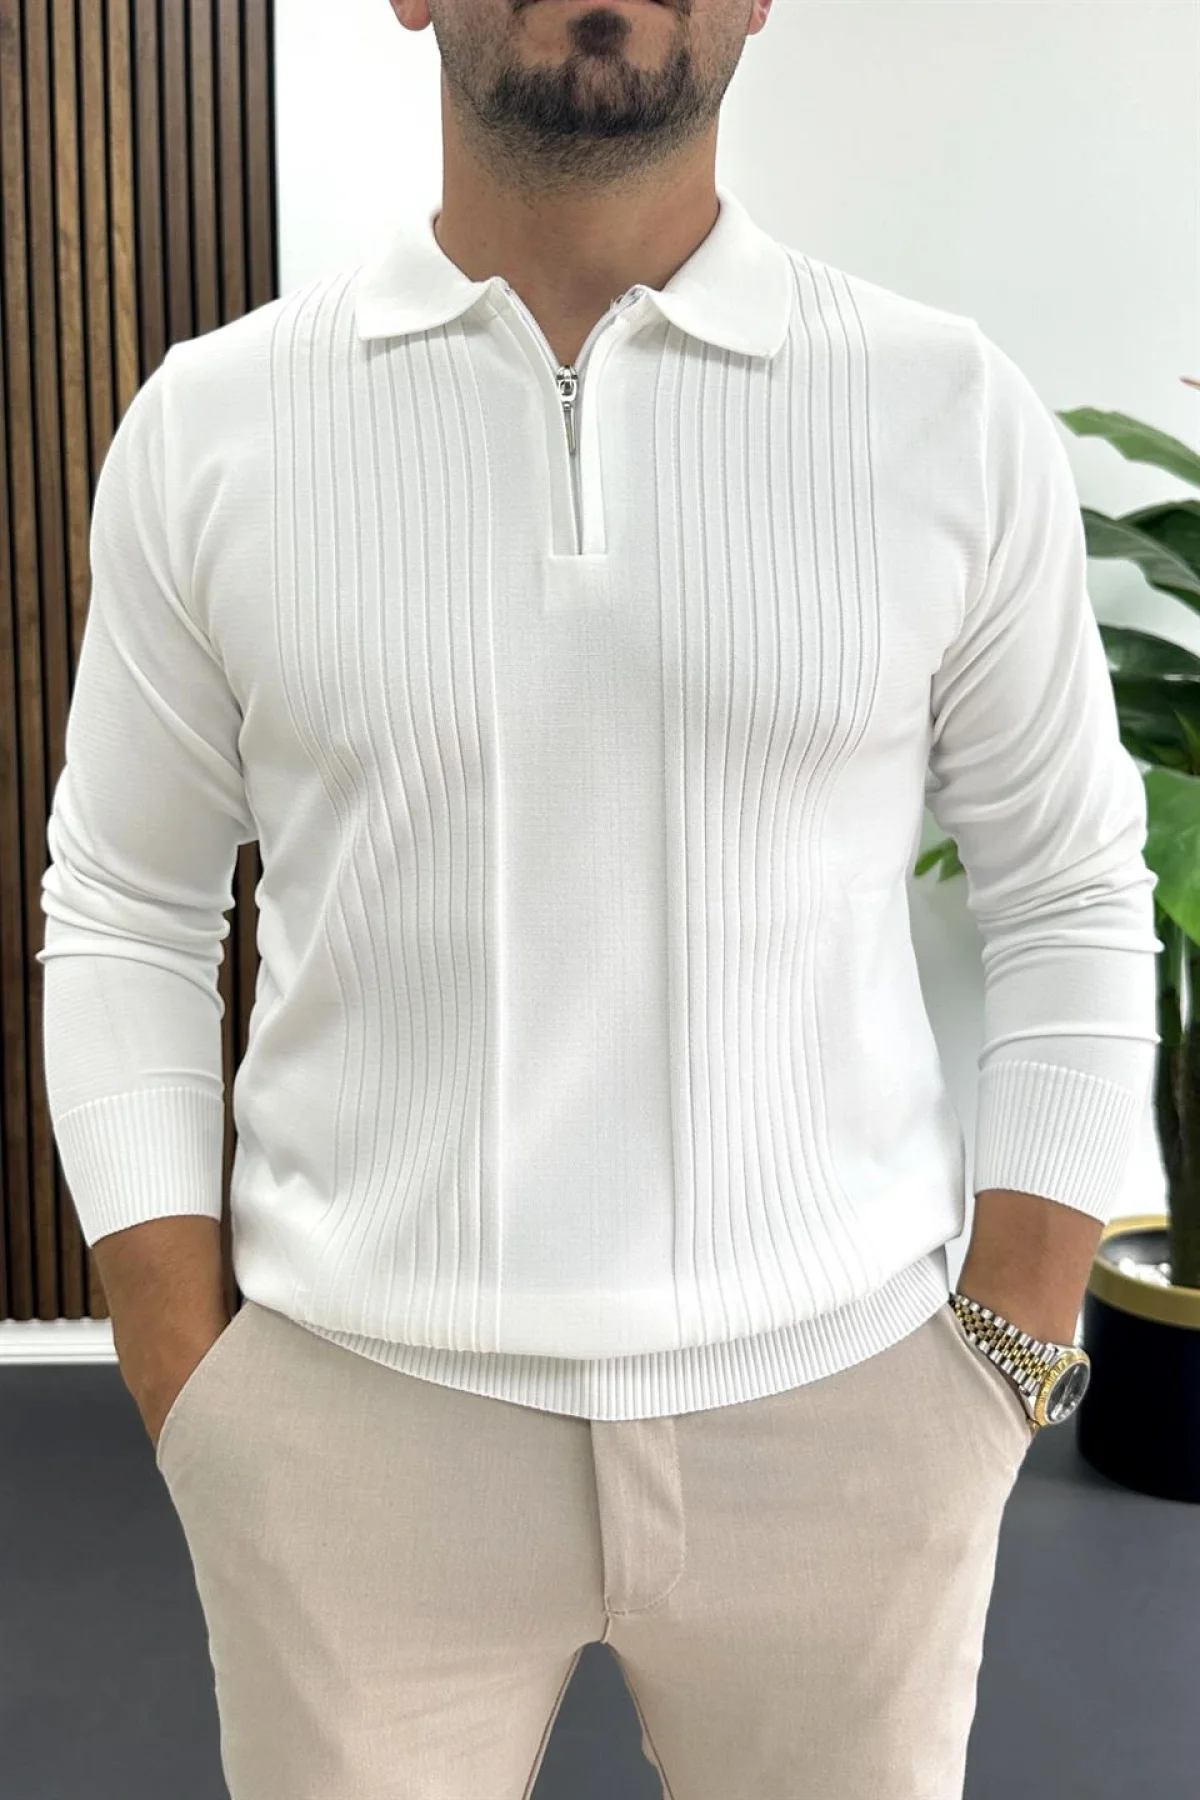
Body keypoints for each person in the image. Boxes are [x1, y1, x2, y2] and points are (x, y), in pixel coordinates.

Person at [37, 2, 1160, 1797]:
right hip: (350, 1423)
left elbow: (1071, 890)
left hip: (851, 1421)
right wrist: (194, 1381)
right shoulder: (215, 429)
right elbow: (124, 908)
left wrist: (1005, 1358)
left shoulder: (947, 413)